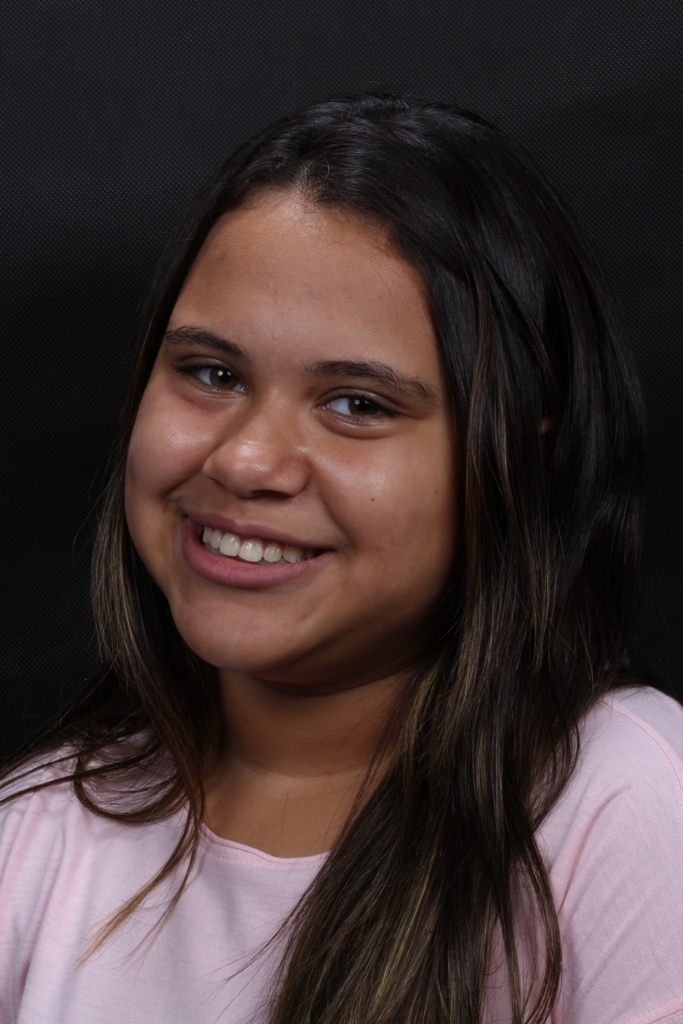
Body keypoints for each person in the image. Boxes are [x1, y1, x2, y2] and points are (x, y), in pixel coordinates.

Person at [1, 93, 682, 1024]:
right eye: (212, 374)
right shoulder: (35, 832)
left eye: (358, 404)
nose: (245, 460)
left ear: (519, 457)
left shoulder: (627, 803)